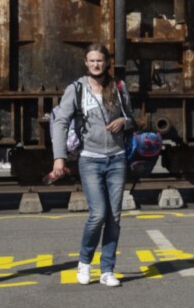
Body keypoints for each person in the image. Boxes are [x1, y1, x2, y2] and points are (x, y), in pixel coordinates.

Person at [49, 43, 134, 288]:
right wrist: (59, 157)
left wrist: (123, 121)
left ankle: (107, 269)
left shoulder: (118, 87)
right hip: (90, 159)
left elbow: (132, 116)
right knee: (97, 215)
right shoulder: (76, 89)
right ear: (86, 63)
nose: (96, 64)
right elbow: (60, 122)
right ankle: (84, 262)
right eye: (92, 60)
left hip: (117, 158)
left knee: (114, 217)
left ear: (107, 62)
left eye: (100, 60)